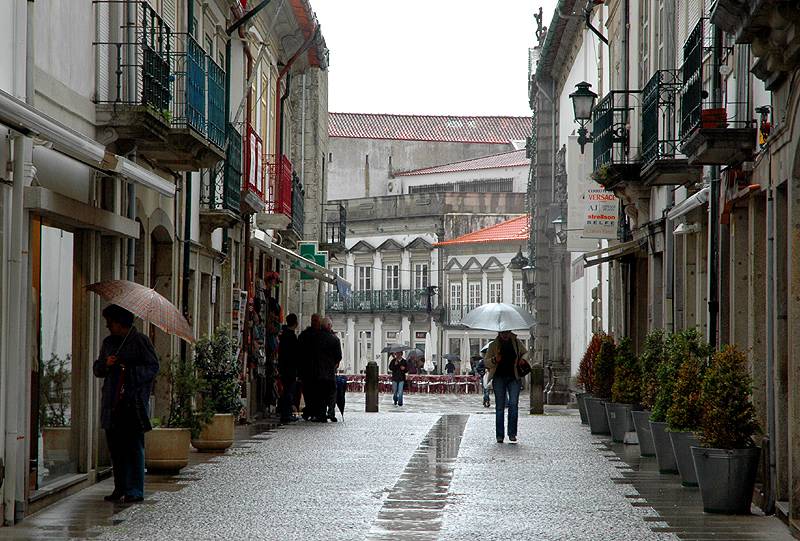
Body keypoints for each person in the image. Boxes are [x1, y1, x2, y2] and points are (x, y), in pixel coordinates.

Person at [93, 304, 159, 503]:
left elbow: (153, 367)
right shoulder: (109, 343)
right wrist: (107, 364)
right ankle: (119, 487)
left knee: (133, 447)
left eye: (110, 322)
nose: (107, 326)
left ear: (120, 323)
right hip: (112, 403)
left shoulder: (140, 342)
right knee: (116, 449)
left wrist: (128, 371)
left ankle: (135, 489)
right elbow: (98, 369)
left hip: (133, 402)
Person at [484, 330, 528, 444]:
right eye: (503, 332)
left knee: (513, 404)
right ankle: (499, 435)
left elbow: (526, 353)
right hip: (499, 378)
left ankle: (512, 434)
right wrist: (495, 359)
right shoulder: (493, 345)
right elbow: (486, 362)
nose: (505, 334)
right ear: (499, 333)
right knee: (500, 407)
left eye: (507, 332)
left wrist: (523, 360)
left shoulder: (517, 343)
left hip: (514, 377)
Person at [298, 314, 322, 421]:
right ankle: (313, 410)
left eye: (316, 320)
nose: (314, 322)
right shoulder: (306, 335)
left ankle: (313, 410)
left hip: (314, 370)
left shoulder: (321, 336)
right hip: (309, 370)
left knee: (314, 392)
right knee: (309, 392)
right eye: (313, 320)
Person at [277, 313, 300, 424]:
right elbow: (296, 355)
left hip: (283, 367)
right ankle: (286, 415)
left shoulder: (283, 336)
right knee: (289, 392)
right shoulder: (291, 337)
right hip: (290, 369)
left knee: (285, 391)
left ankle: (285, 413)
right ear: (296, 323)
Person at [320, 317, 342, 421]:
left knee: (321, 392)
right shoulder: (335, 339)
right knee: (332, 392)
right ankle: (331, 412)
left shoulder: (316, 338)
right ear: (329, 326)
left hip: (317, 371)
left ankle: (321, 413)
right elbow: (339, 356)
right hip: (329, 370)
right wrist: (335, 363)